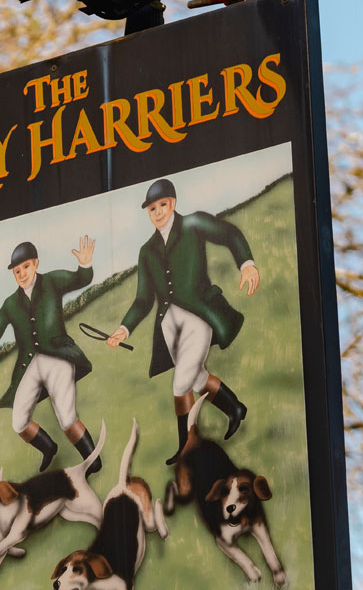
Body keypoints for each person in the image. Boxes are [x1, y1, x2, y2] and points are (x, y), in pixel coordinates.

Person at [107, 179, 259, 464]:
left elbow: (229, 233)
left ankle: (189, 445)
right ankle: (235, 408)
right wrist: (123, 329)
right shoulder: (146, 251)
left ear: (173, 203)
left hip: (199, 314)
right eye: (152, 208)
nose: (158, 212)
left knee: (181, 383)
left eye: (162, 205)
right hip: (168, 323)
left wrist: (247, 264)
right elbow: (143, 300)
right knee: (197, 376)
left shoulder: (193, 224)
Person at [0, 236, 102, 472]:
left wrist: (86, 264)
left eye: (26, 267)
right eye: (17, 271)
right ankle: (49, 448)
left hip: (59, 358)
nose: (22, 274)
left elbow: (81, 279)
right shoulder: (10, 304)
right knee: (19, 422)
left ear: (36, 264)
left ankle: (93, 459)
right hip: (30, 364)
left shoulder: (53, 281)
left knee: (67, 418)